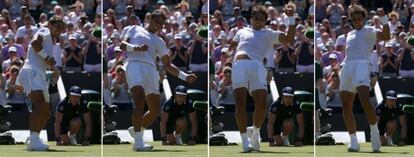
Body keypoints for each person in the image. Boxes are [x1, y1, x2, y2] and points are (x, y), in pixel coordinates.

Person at [120, 10, 197, 151]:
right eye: (157, 22)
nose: (158, 26)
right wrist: (136, 48)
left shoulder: (160, 41)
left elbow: (167, 65)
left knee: (155, 110)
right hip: (134, 65)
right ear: (149, 19)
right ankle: (138, 142)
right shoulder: (133, 28)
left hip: (151, 71)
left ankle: (138, 128)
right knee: (139, 102)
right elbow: (122, 45)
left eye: (161, 24)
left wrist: (185, 76)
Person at [228, 4, 295, 152]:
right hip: (239, 65)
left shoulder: (269, 33)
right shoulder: (241, 31)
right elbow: (232, 45)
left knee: (262, 105)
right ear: (251, 18)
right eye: (256, 18)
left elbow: (289, 38)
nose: (258, 21)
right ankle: (245, 141)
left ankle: (255, 132)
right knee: (240, 103)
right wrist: (229, 50)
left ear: (265, 21)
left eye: (261, 19)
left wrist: (291, 18)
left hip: (258, 67)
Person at [339, 5, 390, 152]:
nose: (357, 22)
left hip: (362, 66)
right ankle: (354, 142)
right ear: (352, 20)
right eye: (354, 20)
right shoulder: (349, 34)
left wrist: (384, 19)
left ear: (364, 18)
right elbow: (348, 55)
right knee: (346, 106)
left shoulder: (369, 31)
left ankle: (375, 134)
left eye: (360, 19)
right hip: (347, 67)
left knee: (364, 99)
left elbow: (386, 36)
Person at [16, 16, 65, 151]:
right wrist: (48, 59)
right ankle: (33, 139)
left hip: (39, 75)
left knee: (46, 112)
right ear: (50, 24)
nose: (59, 31)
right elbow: (35, 44)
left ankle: (34, 136)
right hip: (33, 73)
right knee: (40, 105)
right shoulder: (45, 30)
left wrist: (50, 66)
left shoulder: (50, 40)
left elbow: (40, 55)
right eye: (57, 27)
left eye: (61, 29)